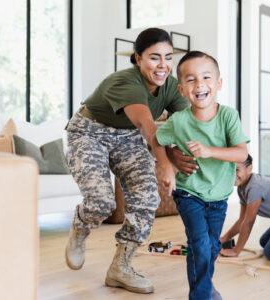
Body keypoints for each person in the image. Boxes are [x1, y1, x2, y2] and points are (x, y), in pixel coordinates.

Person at [64, 27, 190, 294]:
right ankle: (80, 226)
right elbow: (147, 125)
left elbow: (186, 123)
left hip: (127, 138)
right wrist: (166, 163)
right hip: (89, 133)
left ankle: (121, 268)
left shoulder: (169, 86)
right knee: (101, 202)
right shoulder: (125, 81)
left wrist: (182, 152)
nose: (163, 65)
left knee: (147, 197)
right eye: (154, 57)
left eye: (168, 57)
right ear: (138, 59)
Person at [155, 51, 248, 300]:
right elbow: (155, 141)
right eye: (191, 79)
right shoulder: (178, 121)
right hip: (189, 193)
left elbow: (241, 154)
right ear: (182, 90)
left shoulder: (229, 116)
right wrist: (168, 161)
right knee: (199, 243)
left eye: (206, 77)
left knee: (212, 246)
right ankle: (201, 295)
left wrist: (209, 151)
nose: (199, 84)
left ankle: (204, 285)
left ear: (218, 83)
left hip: (218, 196)